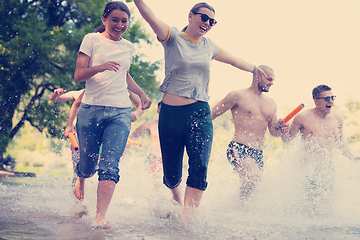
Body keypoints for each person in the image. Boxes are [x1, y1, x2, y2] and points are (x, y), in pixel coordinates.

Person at [131, 0, 266, 221]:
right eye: (204, 18)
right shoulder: (172, 37)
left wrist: (254, 68)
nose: (208, 23)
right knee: (172, 173)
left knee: (199, 165)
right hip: (171, 115)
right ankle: (176, 197)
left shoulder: (208, 45)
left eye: (213, 21)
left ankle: (188, 218)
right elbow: (151, 17)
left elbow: (233, 60)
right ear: (190, 16)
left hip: (199, 112)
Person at [72, 1, 151, 228]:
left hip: (120, 112)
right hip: (90, 109)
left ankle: (100, 216)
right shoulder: (92, 39)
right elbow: (79, 75)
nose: (119, 24)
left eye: (124, 21)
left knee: (109, 165)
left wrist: (141, 93)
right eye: (115, 20)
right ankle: (81, 178)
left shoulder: (129, 47)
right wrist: (100, 67)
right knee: (88, 164)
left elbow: (124, 75)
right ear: (104, 19)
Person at [280, 84, 359, 215]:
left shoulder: (337, 118)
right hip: (307, 166)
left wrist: (354, 157)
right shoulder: (302, 117)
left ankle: (321, 231)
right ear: (316, 100)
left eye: (332, 97)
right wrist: (283, 132)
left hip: (327, 168)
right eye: (327, 98)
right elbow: (287, 140)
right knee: (309, 204)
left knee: (325, 204)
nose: (331, 101)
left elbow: (340, 144)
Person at [211, 65, 284, 200]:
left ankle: (237, 210)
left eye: (273, 80)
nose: (272, 83)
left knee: (251, 190)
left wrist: (280, 128)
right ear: (258, 76)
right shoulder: (237, 96)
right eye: (269, 79)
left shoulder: (271, 103)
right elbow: (212, 114)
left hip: (258, 153)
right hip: (239, 148)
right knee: (255, 178)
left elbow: (274, 132)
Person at [51, 88, 144, 187]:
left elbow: (141, 104)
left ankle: (101, 194)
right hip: (82, 137)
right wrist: (56, 95)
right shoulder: (79, 93)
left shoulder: (119, 88)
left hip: (106, 135)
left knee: (107, 167)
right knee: (79, 169)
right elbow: (55, 99)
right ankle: (77, 198)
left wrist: (136, 114)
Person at [126, 102, 162, 175]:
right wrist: (125, 152)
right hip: (154, 158)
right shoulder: (150, 124)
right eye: (162, 109)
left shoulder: (176, 127)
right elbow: (132, 137)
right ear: (158, 111)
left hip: (169, 159)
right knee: (156, 175)